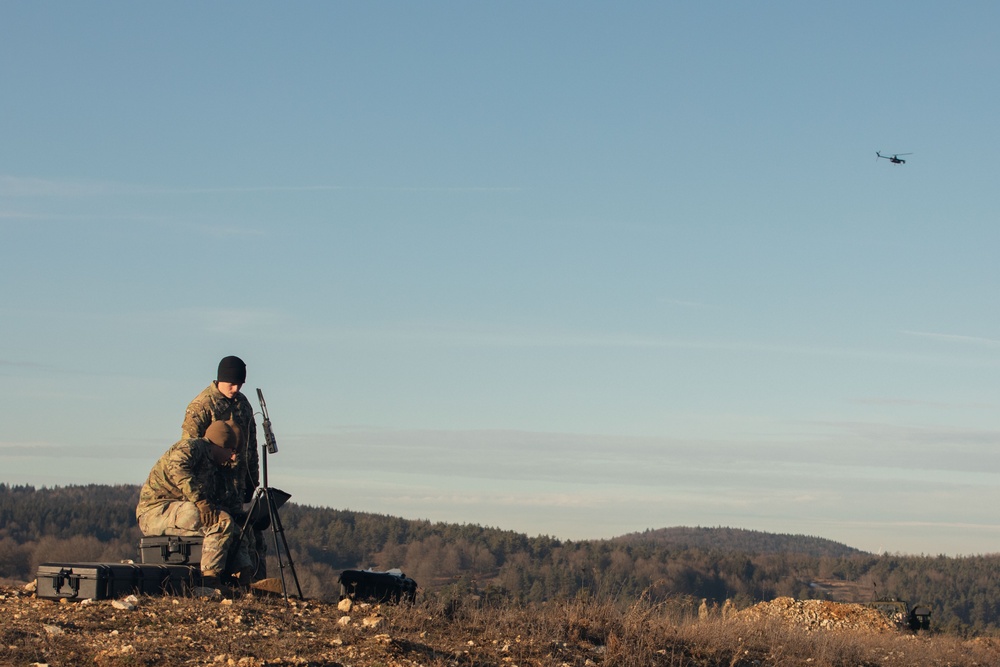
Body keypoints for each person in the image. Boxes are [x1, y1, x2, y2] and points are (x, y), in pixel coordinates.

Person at [136, 421, 252, 590]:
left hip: (177, 511)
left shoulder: (214, 466)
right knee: (220, 521)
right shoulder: (190, 447)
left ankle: (244, 578)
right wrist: (201, 501)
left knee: (234, 527)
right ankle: (210, 579)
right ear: (220, 444)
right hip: (154, 513)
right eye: (232, 450)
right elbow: (178, 468)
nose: (233, 457)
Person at [181, 355, 266, 579]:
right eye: (232, 383)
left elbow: (250, 446)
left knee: (250, 536)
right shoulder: (201, 406)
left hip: (237, 488)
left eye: (240, 384)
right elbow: (189, 452)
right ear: (220, 380)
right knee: (223, 531)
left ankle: (253, 582)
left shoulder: (244, 405)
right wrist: (200, 496)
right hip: (212, 488)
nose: (236, 388)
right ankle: (214, 580)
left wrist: (252, 480)